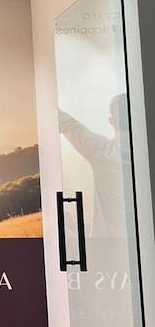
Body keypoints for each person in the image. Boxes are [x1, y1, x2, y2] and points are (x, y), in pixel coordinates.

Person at [59, 95, 131, 239]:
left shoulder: (104, 151)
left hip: (107, 242)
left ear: (111, 121)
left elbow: (67, 124)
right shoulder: (145, 153)